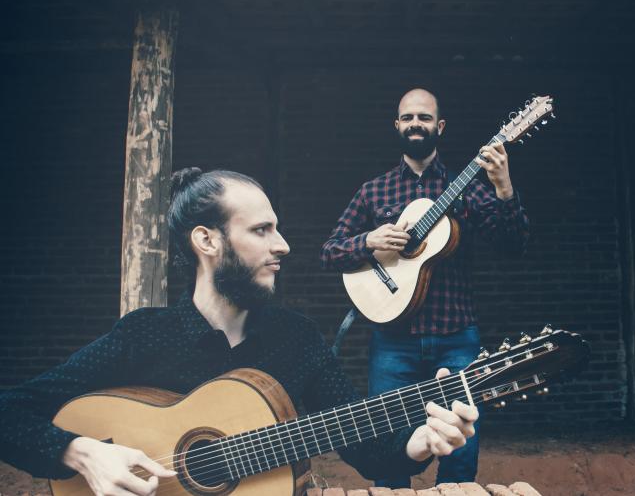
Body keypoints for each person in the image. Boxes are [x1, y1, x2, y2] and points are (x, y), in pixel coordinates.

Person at [0, 168, 478, 496]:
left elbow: (371, 452)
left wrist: (421, 443)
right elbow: (9, 413)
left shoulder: (297, 339)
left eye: (279, 229)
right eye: (262, 230)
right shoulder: (143, 335)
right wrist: (81, 454)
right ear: (207, 240)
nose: (284, 246)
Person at [320, 88, 530, 488]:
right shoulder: (374, 191)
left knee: (460, 446)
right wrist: (367, 242)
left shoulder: (465, 186)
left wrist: (503, 187)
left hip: (456, 336)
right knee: (389, 444)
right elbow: (329, 253)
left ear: (440, 126)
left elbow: (512, 245)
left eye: (425, 117)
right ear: (397, 125)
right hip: (392, 340)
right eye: (408, 117)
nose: (416, 123)